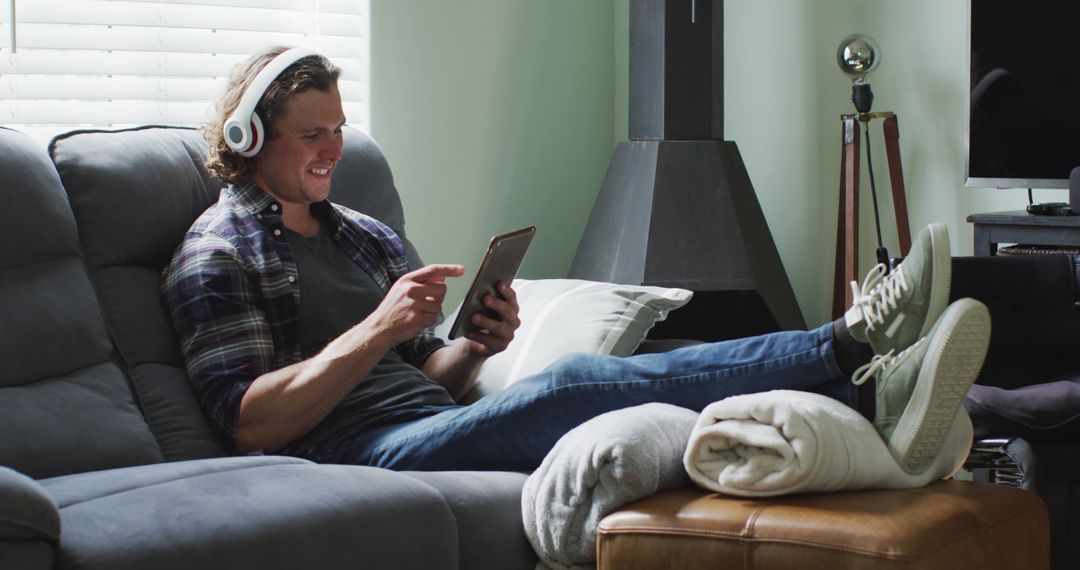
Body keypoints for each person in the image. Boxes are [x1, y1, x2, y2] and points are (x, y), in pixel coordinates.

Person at [162, 46, 990, 476]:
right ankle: (849, 346)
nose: (333, 150)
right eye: (313, 136)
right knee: (571, 385)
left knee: (588, 391)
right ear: (249, 138)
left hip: (425, 420)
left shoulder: (359, 232)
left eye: (339, 129)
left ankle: (871, 389)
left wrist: (473, 345)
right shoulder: (219, 253)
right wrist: (377, 331)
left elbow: (429, 374)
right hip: (346, 457)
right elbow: (250, 421)